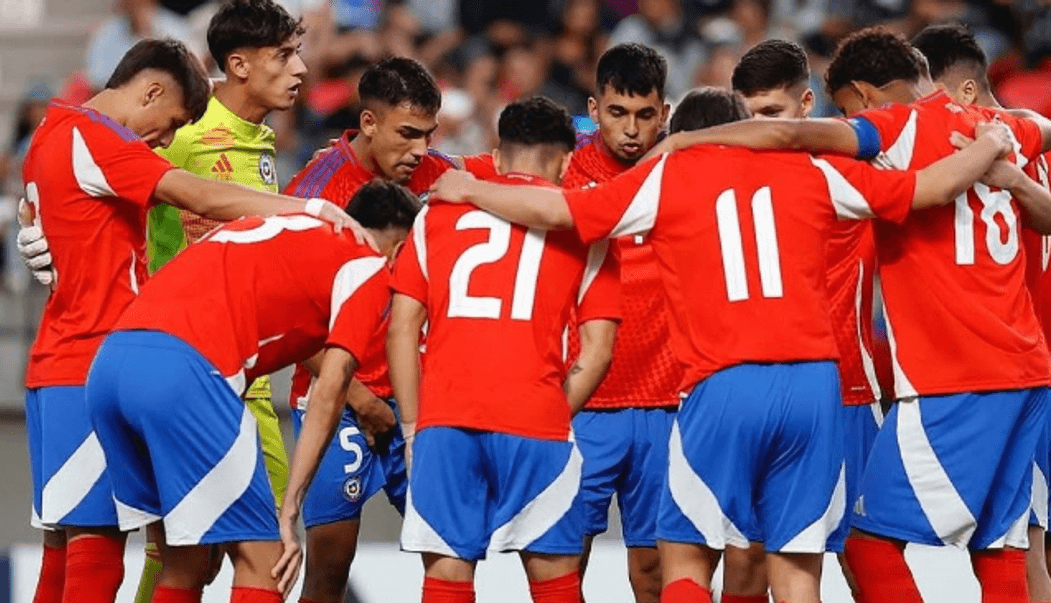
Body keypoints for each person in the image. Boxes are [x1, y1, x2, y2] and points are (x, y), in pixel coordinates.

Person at [428, 85, 1019, 603]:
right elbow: (926, 190)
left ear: (679, 134)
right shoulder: (812, 169)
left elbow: (561, 212)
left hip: (723, 381)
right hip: (816, 386)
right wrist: (989, 146)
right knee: (794, 569)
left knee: (685, 554)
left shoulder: (669, 174)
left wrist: (471, 190)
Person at [652, 28, 1051, 603]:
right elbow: (1045, 130)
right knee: (998, 550)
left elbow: (799, 141)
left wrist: (686, 144)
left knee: (857, 549)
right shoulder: (989, 128)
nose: (757, 132)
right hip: (1013, 370)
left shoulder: (866, 148)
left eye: (768, 115)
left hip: (897, 387)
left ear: (831, 103)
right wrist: (995, 137)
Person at [17, 38, 359, 603]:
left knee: (71, 554)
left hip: (61, 362)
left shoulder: (51, 132)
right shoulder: (97, 138)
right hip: (91, 358)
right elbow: (195, 193)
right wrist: (309, 210)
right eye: (170, 121)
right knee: (102, 560)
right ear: (150, 90)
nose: (167, 141)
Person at [87, 181, 419, 603]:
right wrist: (291, 507)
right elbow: (330, 390)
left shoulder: (286, 224)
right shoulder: (369, 263)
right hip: (186, 371)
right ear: (403, 247)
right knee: (268, 562)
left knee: (186, 563)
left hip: (111, 366)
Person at [913, 23, 1051, 603]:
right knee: (1048, 545)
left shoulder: (982, 159)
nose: (919, 118)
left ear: (964, 93)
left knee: (1031, 547)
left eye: (924, 100)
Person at [388, 96, 621, 603]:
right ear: (565, 162)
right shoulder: (583, 229)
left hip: (446, 418)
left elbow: (403, 327)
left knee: (446, 578)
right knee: (554, 580)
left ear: (495, 158)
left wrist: (412, 424)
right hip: (535, 417)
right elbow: (598, 350)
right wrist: (555, 407)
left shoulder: (436, 216)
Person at [138, 3, 307, 599]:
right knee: (217, 557)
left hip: (248, 377)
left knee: (208, 561)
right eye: (285, 56)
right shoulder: (183, 133)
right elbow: (104, 169)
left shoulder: (256, 139)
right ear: (238, 64)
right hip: (190, 371)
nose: (301, 69)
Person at [281, 55, 456, 603]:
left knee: (450, 555)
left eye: (428, 134)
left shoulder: (442, 177)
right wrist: (360, 397)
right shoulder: (316, 194)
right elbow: (291, 315)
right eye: (408, 134)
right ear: (370, 123)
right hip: (337, 403)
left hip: (419, 405)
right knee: (329, 569)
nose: (420, 149)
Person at [730, 38, 888, 601]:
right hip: (753, 390)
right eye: (746, 116)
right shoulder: (721, 180)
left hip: (845, 394)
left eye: (771, 114)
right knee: (745, 564)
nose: (758, 130)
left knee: (864, 562)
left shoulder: (850, 169)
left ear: (805, 104)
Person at [562, 43, 678, 603]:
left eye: (645, 115)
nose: (631, 129)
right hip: (583, 403)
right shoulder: (563, 169)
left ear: (666, 112)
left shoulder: (683, 172)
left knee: (653, 573)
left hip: (665, 402)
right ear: (594, 106)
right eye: (617, 113)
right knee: (562, 567)